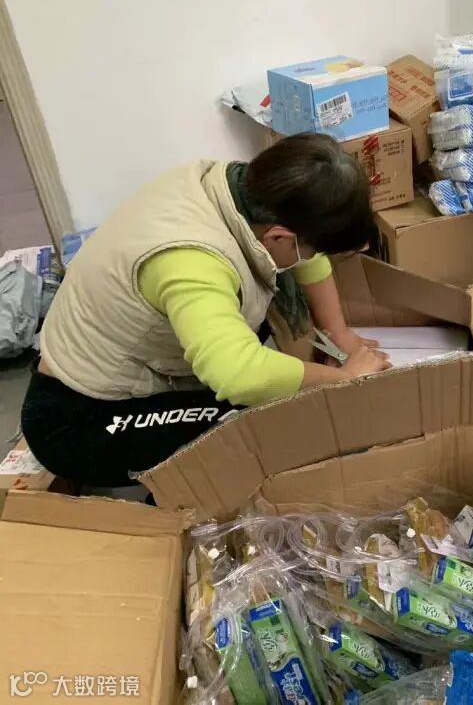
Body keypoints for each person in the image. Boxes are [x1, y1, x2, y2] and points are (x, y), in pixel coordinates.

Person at [21, 133, 391, 487]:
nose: (312, 258)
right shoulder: (193, 262)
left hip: (138, 367)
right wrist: (343, 380)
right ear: (279, 237)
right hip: (79, 418)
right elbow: (238, 375)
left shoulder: (241, 188)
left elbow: (307, 255)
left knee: (271, 363)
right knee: (265, 426)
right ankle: (173, 505)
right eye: (311, 249)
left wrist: (338, 333)